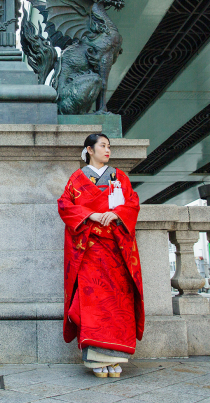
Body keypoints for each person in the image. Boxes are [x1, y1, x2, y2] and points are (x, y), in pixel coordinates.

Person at [57, 133, 144, 378]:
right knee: (92, 303)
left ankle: (117, 357)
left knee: (118, 303)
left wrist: (116, 214)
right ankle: (95, 358)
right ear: (89, 149)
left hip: (116, 250)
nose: (107, 150)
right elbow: (64, 205)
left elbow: (132, 203)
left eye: (109, 146)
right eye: (103, 146)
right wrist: (91, 215)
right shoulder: (77, 179)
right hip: (90, 251)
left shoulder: (119, 177)